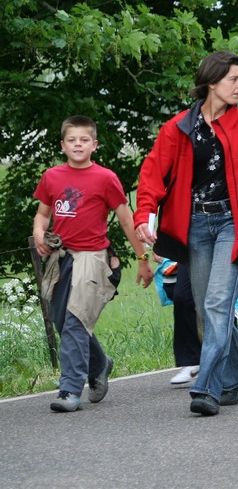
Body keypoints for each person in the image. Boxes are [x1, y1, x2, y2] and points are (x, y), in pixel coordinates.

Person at [135, 50, 238, 417]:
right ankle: (237, 371)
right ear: (212, 82)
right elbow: (152, 176)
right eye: (234, 78)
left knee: (218, 305)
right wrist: (144, 215)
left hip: (234, 224)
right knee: (206, 309)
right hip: (195, 226)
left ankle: (207, 386)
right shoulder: (178, 128)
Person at [32, 115, 154, 412]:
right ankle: (99, 363)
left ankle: (69, 390)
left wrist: (142, 259)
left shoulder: (105, 178)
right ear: (62, 145)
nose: (78, 144)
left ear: (94, 145)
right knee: (63, 321)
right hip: (62, 258)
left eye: (84, 140)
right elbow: (43, 214)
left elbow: (126, 220)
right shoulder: (52, 177)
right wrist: (38, 232)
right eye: (72, 140)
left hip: (93, 258)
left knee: (75, 324)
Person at [156, 258, 201, 384]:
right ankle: (193, 361)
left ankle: (230, 361)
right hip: (191, 248)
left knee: (218, 298)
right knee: (182, 296)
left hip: (221, 248)